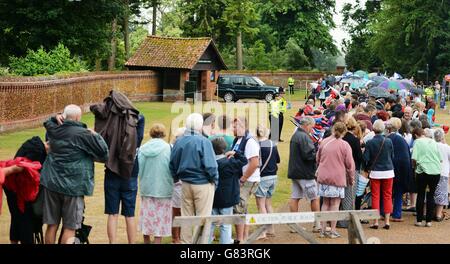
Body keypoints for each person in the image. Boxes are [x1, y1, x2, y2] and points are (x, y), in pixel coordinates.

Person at [41, 105, 109, 244]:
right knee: (70, 227)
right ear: (78, 117)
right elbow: (104, 152)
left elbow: (47, 123)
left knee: (52, 225)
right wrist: (96, 135)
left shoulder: (54, 129)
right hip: (74, 186)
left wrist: (55, 117)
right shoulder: (83, 133)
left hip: (52, 182)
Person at [90, 91, 141, 244]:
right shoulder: (138, 118)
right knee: (129, 214)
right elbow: (137, 143)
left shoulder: (106, 120)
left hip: (112, 171)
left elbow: (96, 109)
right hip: (130, 170)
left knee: (112, 214)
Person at [170, 113, 218, 244]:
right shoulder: (204, 141)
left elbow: (172, 163)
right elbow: (211, 166)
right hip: (202, 183)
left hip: (185, 183)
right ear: (200, 126)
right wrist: (215, 180)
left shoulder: (179, 141)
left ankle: (186, 243)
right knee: (203, 218)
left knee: (187, 217)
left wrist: (176, 178)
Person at [4, 136, 47, 244]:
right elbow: (22, 166)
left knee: (16, 217)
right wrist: (5, 171)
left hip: (12, 186)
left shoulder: (34, 142)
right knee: (25, 220)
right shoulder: (38, 151)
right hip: (19, 187)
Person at [317, 122, 355, 238]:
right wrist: (351, 178)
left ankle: (323, 229)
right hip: (337, 177)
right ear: (344, 132)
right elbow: (350, 164)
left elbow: (317, 159)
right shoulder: (344, 145)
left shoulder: (324, 142)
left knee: (325, 203)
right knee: (335, 204)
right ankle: (332, 230)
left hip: (324, 176)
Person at [138, 124, 173, 244]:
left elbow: (139, 167)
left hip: (147, 185)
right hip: (164, 186)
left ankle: (146, 239)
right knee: (161, 217)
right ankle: (157, 241)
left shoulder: (142, 148)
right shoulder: (169, 148)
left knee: (147, 214)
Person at [210, 137, 247, 244]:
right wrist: (235, 153)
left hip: (213, 197)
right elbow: (244, 160)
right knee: (225, 224)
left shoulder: (209, 162)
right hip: (227, 199)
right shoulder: (229, 163)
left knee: (211, 223)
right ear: (224, 149)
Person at [230, 117, 260, 244]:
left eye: (235, 126)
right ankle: (244, 237)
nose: (233, 128)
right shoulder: (238, 140)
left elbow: (254, 163)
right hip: (241, 178)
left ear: (243, 127)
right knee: (242, 208)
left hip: (248, 180)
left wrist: (243, 179)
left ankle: (240, 239)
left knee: (238, 208)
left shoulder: (250, 142)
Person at [288, 117, 320, 232]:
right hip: (304, 173)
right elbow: (309, 156)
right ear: (307, 125)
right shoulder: (304, 137)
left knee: (295, 197)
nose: (312, 129)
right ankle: (317, 224)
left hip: (295, 172)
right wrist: (317, 152)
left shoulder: (296, 135)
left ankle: (294, 225)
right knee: (315, 197)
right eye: (312, 126)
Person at [363, 120, 394, 230]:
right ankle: (387, 221)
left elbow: (366, 159)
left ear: (374, 129)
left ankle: (375, 221)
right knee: (387, 195)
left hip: (375, 171)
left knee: (375, 195)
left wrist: (367, 168)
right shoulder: (389, 141)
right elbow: (392, 156)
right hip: (388, 170)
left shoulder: (370, 142)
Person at [412, 128, 442, 227]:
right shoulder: (434, 142)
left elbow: (414, 158)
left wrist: (415, 168)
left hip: (423, 171)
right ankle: (429, 221)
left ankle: (419, 220)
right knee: (431, 195)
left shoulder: (417, 142)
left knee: (421, 194)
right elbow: (440, 159)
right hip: (435, 171)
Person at [386, 118, 414, 222]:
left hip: (391, 167)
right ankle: (396, 214)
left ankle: (384, 212)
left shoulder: (388, 139)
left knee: (387, 191)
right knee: (398, 191)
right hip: (403, 168)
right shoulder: (402, 139)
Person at [255, 125, 280, 239]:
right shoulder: (272, 144)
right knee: (268, 204)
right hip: (273, 176)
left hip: (263, 177)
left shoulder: (257, 145)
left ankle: (262, 232)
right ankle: (271, 229)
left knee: (261, 206)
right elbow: (278, 160)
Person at [340, 117, 363, 226]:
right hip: (352, 169)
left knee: (339, 195)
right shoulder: (354, 140)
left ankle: (337, 219)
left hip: (340, 169)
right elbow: (359, 156)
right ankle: (344, 221)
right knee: (349, 195)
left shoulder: (341, 138)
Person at [171, 127, 186, 244]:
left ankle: (180, 236)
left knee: (182, 212)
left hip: (184, 184)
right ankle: (175, 238)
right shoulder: (173, 148)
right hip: (177, 184)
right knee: (177, 212)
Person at [433, 129, 450, 221]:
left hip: (432, 171)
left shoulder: (432, 145)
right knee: (441, 193)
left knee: (431, 192)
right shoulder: (446, 147)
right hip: (443, 172)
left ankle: (428, 211)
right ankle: (438, 215)